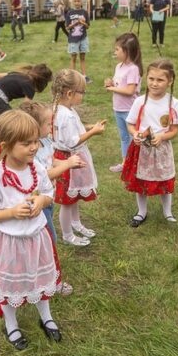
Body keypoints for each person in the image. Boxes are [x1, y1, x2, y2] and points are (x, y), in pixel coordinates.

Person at [0, 110, 71, 350]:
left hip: (37, 237)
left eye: (35, 141)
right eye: (26, 143)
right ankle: (11, 323)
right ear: (6, 146)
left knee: (40, 276)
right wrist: (11, 212)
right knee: (9, 286)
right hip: (9, 242)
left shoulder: (37, 169)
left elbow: (48, 192)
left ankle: (46, 316)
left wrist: (42, 201)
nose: (34, 147)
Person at [122, 59, 178, 226]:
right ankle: (142, 212)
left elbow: (175, 129)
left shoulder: (173, 103)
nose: (155, 84)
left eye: (160, 80)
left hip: (162, 149)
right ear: (146, 78)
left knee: (165, 178)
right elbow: (130, 123)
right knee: (140, 180)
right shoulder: (140, 101)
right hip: (142, 149)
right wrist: (135, 133)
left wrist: (163, 137)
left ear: (170, 81)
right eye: (151, 79)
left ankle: (167, 212)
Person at [51, 69, 106, 246]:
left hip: (69, 158)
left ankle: (76, 223)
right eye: (81, 92)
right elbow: (72, 141)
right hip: (68, 160)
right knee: (67, 201)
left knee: (73, 198)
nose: (83, 96)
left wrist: (89, 126)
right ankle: (68, 235)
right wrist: (94, 132)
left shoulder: (63, 108)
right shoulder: (65, 114)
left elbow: (75, 129)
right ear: (69, 93)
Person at [19, 100, 85, 242]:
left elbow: (51, 161)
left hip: (48, 195)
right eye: (49, 124)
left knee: (47, 232)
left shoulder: (46, 142)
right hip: (37, 200)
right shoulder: (32, 152)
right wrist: (67, 164)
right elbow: (45, 174)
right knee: (49, 237)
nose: (52, 128)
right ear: (35, 128)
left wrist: (69, 163)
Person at [104, 32, 143, 173]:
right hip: (118, 109)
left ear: (127, 51)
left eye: (117, 49)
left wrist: (112, 88)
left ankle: (139, 163)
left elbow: (130, 91)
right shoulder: (119, 66)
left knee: (135, 137)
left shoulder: (133, 69)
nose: (115, 52)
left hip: (129, 110)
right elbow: (120, 84)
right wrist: (111, 82)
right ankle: (126, 163)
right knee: (124, 138)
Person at [65, 0, 91, 81]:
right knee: (73, 58)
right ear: (72, 2)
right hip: (73, 39)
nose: (77, 3)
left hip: (83, 38)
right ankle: (73, 77)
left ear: (81, 2)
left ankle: (84, 76)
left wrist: (83, 23)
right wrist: (75, 23)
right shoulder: (69, 13)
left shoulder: (84, 12)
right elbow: (67, 27)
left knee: (83, 57)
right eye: (75, 1)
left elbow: (88, 26)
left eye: (78, 1)